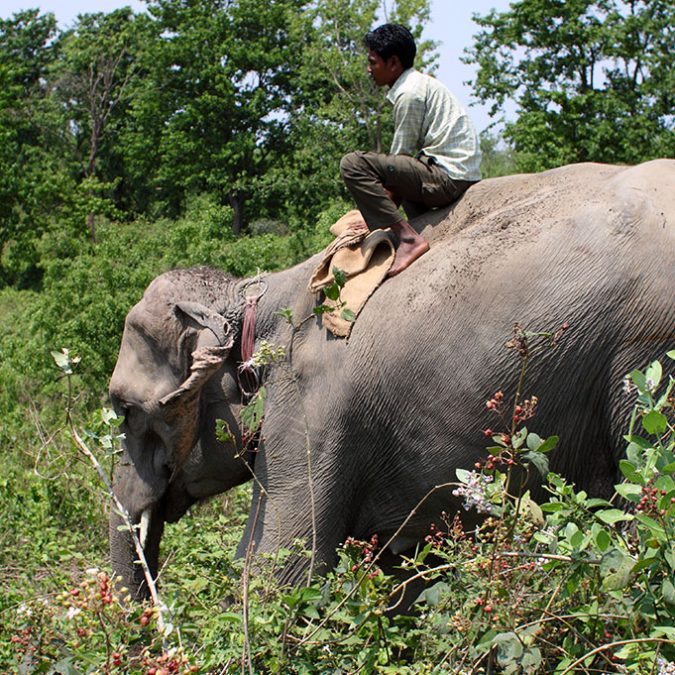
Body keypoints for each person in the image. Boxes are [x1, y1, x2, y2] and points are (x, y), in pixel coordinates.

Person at [340, 23, 481, 277]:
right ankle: (412, 235)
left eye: (373, 62)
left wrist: (376, 216)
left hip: (446, 177)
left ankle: (408, 240)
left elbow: (399, 161)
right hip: (448, 171)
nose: (368, 69)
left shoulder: (409, 94)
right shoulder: (417, 85)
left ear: (393, 63)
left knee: (352, 164)